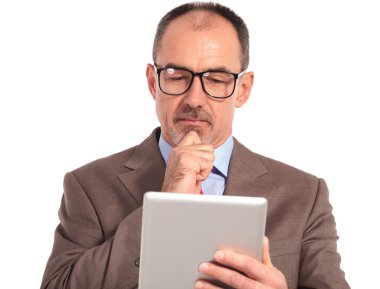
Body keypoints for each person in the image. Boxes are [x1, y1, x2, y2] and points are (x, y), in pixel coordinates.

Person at [41, 2, 350, 289]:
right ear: (153, 82)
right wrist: (164, 205)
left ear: (242, 90)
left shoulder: (305, 195)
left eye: (216, 79)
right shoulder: (89, 186)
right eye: (176, 76)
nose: (194, 99)